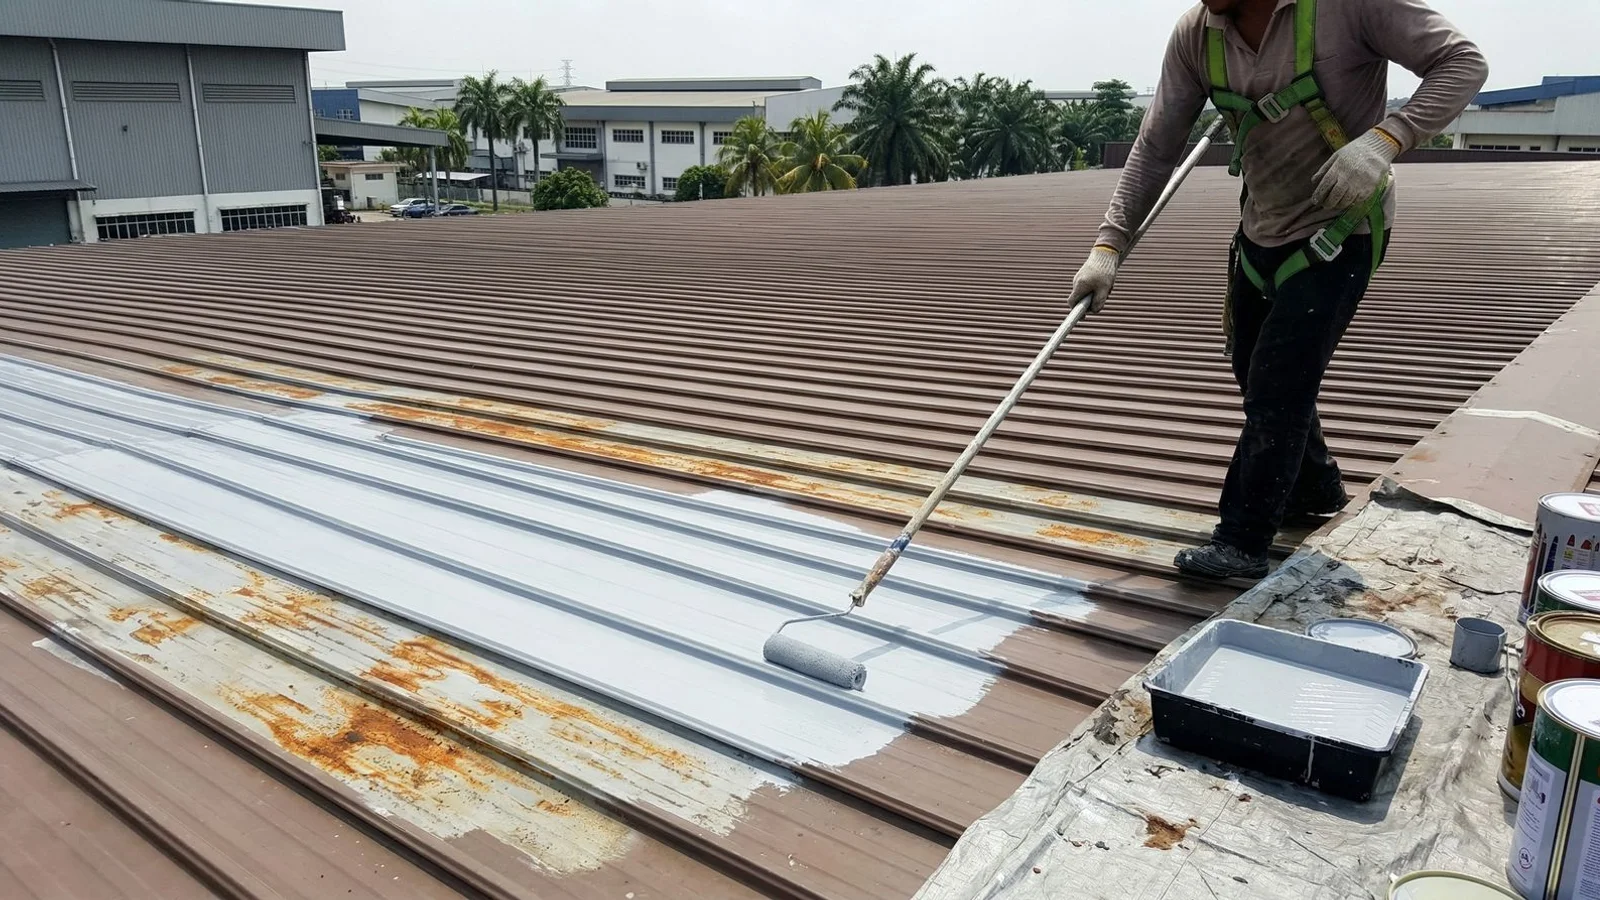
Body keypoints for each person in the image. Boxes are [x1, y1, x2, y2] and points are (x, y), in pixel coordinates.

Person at [1068, 0, 1487, 579]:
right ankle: (1316, 488)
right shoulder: (1197, 33)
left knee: (1278, 386)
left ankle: (1242, 541)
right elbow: (1157, 145)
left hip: (1341, 230)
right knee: (1254, 370)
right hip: (1261, 229)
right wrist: (1109, 246)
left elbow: (1463, 63)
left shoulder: (1349, 7)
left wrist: (1386, 139)